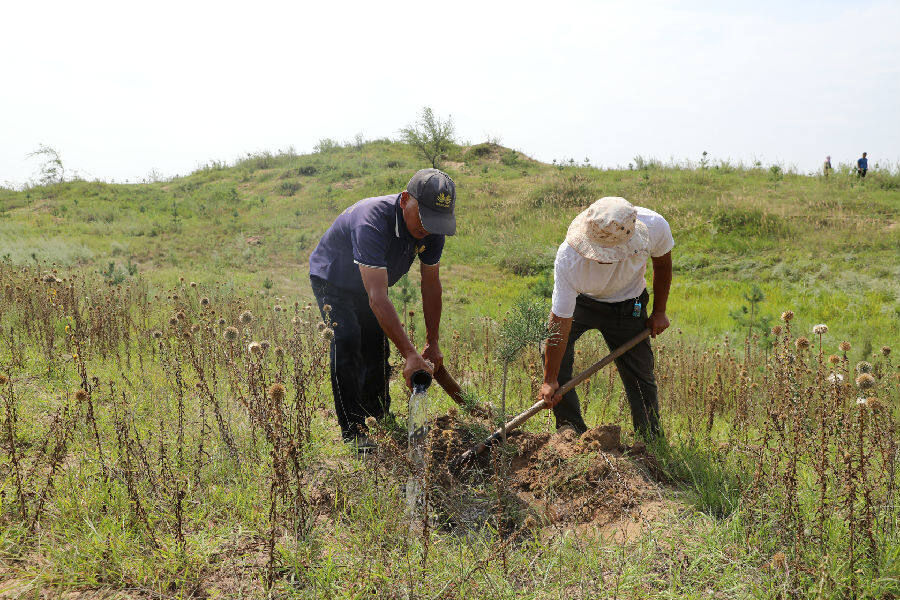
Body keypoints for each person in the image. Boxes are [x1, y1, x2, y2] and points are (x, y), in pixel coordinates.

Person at [308, 168, 456, 450]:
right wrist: (411, 355)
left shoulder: (433, 231)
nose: (428, 227)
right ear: (404, 201)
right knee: (348, 338)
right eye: (424, 217)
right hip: (333, 279)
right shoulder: (372, 221)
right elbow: (377, 297)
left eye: (437, 221)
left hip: (368, 284)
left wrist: (431, 343)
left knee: (376, 347)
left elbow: (431, 285)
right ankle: (354, 430)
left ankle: (378, 417)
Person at [539, 197, 673, 440]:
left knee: (640, 374)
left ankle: (650, 441)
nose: (599, 258)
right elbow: (559, 323)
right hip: (585, 302)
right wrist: (549, 380)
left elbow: (663, 265)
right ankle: (571, 431)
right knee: (553, 357)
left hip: (629, 304)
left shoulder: (655, 226)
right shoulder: (569, 259)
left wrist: (660, 311)